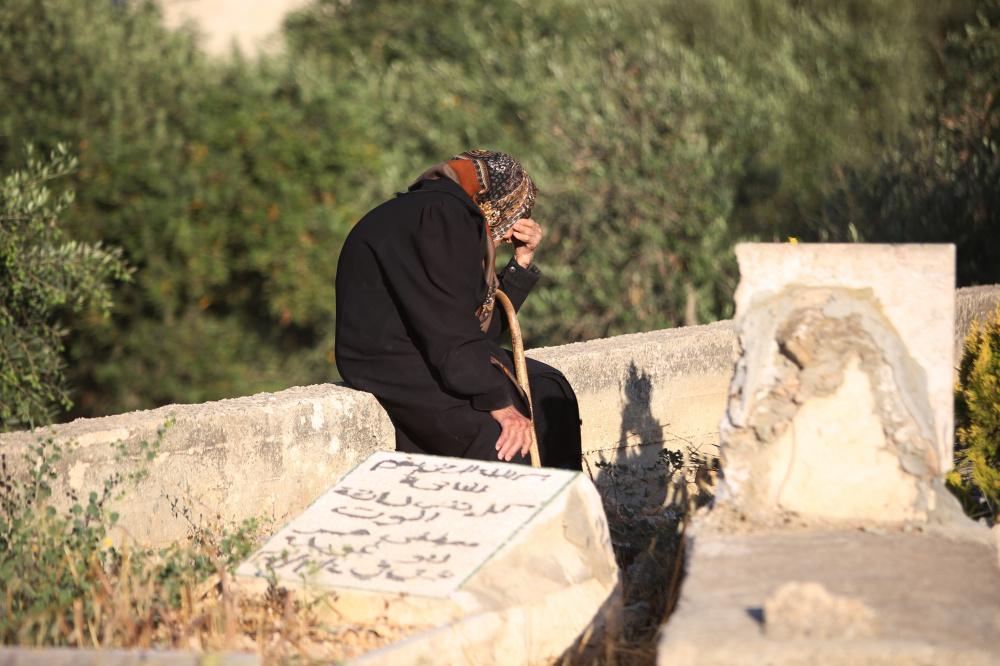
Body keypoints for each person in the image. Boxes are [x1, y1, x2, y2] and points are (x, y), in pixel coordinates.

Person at [335, 149, 582, 469]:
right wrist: (499, 403)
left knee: (550, 389)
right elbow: (447, 326)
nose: (510, 233)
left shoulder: (447, 214)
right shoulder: (441, 217)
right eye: (514, 216)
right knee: (502, 441)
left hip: (433, 350)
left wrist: (521, 262)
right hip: (396, 362)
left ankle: (562, 500)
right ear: (497, 203)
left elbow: (478, 328)